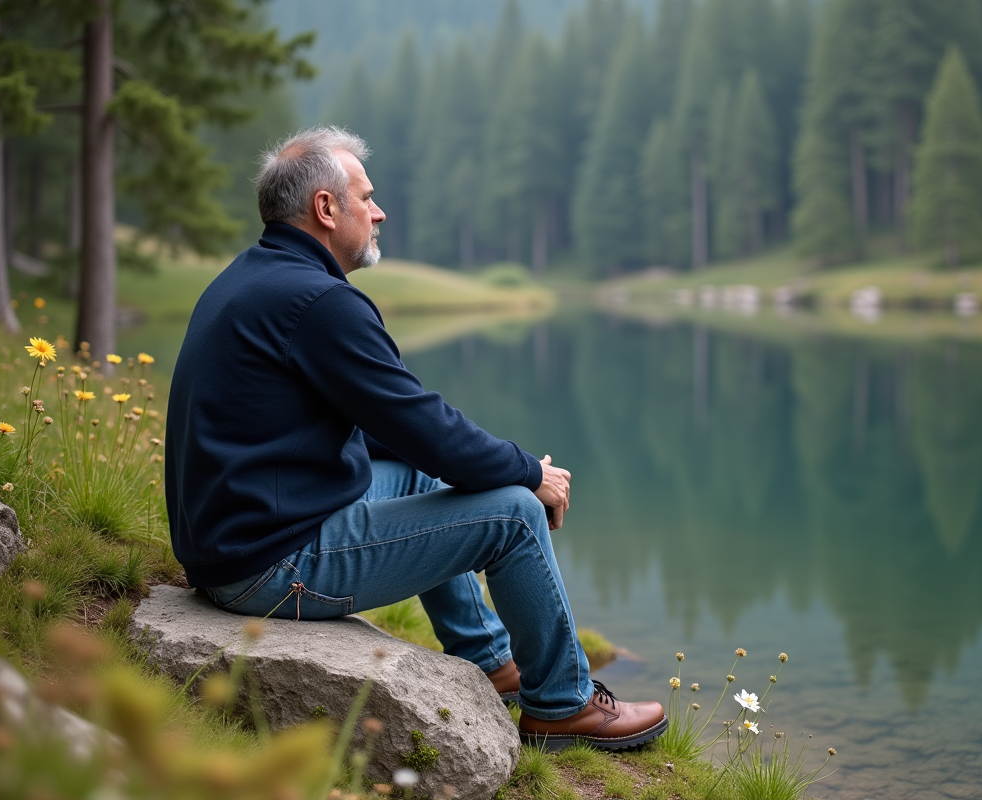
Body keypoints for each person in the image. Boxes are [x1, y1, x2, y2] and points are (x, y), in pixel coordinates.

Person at [164, 126, 666, 750]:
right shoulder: (317, 302)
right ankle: (561, 707)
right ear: (326, 209)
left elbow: (409, 436)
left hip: (237, 536)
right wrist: (530, 474)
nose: (379, 212)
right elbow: (426, 425)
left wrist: (491, 465)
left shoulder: (254, 277)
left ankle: (489, 659)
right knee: (512, 514)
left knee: (435, 477)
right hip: (269, 565)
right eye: (366, 197)